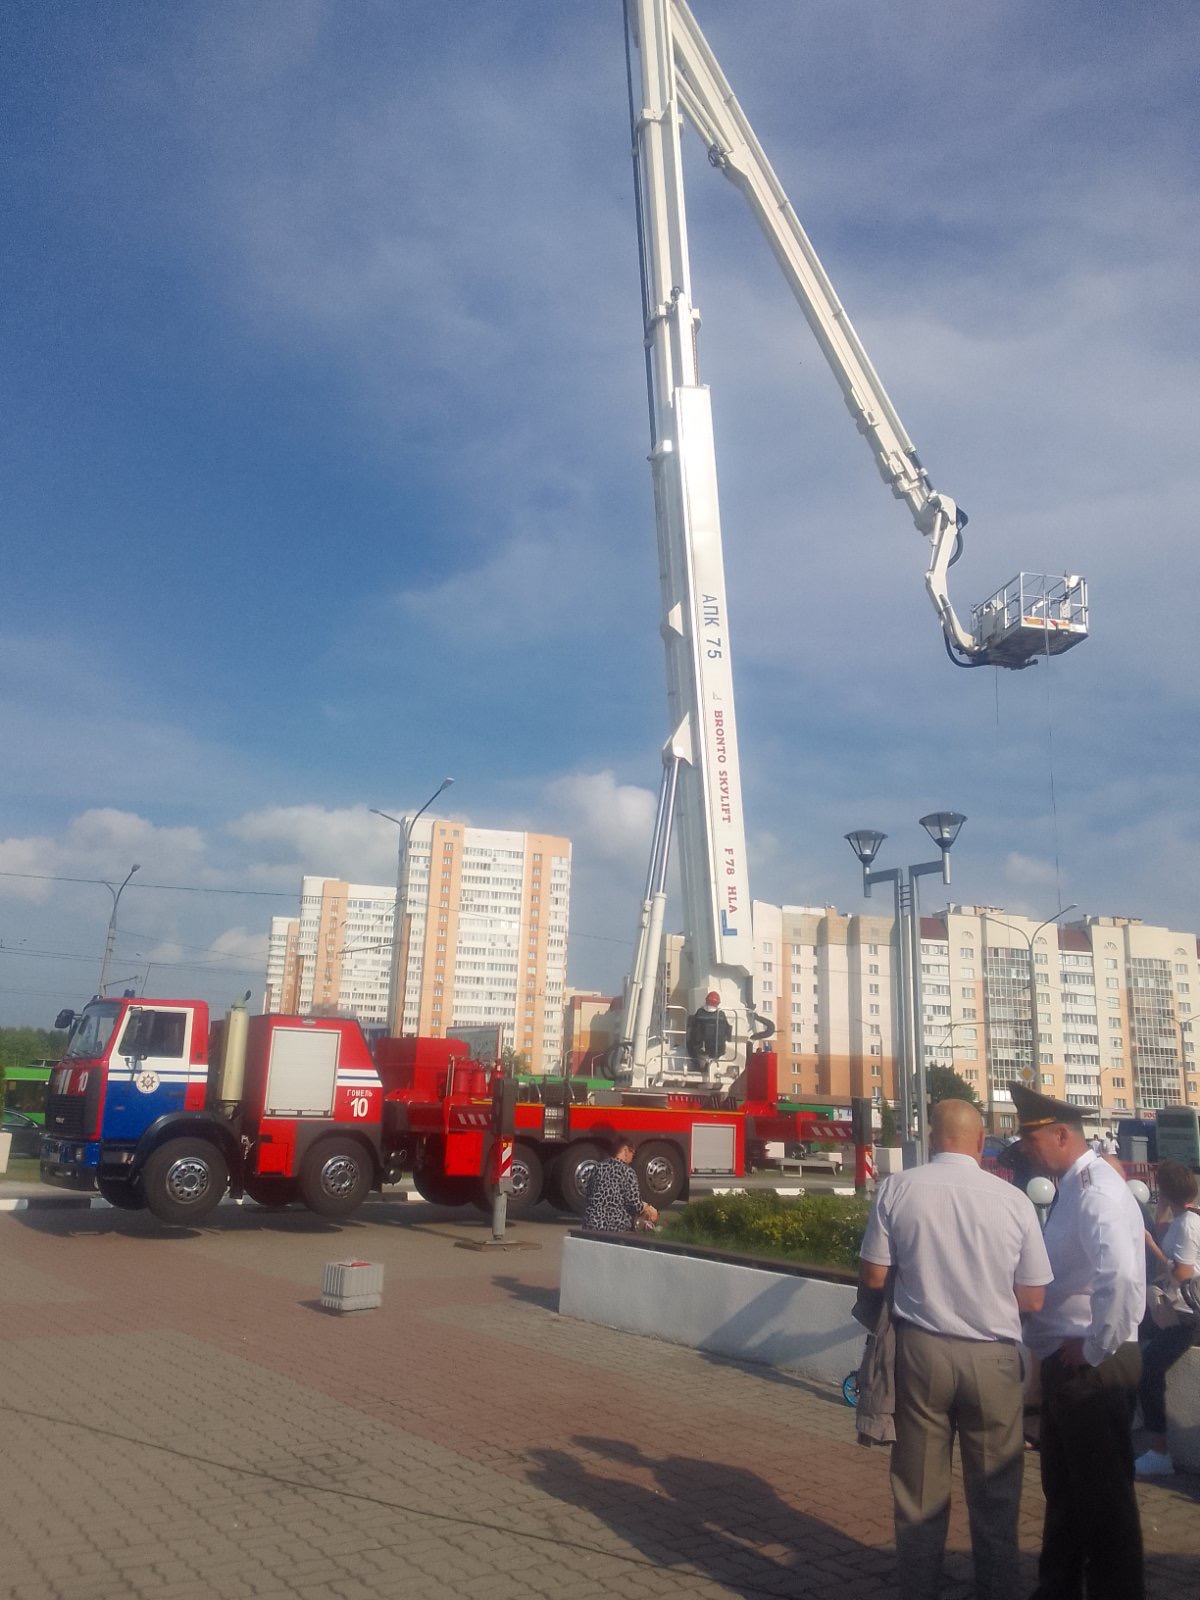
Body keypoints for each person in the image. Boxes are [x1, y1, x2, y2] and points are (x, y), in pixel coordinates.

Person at [859, 1098, 1052, 1600]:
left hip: (921, 1352)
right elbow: (1034, 1297)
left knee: (919, 1492)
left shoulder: (899, 1188)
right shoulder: (1014, 1201)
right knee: (995, 1494)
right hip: (994, 1359)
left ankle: (919, 1590)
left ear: (932, 1138)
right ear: (981, 1141)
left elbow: (875, 1276)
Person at [1013, 1083, 1147, 1600]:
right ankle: (1057, 1590)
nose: (1027, 1150)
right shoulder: (1075, 1186)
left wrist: (1092, 1346)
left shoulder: (1094, 1192)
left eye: (1032, 1140)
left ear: (1061, 1136)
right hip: (1070, 1362)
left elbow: (1122, 1279)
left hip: (1092, 1367)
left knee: (1105, 1504)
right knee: (1067, 1494)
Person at [1134, 1159, 1200, 1477]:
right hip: (1175, 1310)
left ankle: (1159, 1450)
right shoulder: (1183, 1219)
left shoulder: (1188, 1225)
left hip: (1186, 1315)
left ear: (1165, 1189)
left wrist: (1152, 1248)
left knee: (1149, 1370)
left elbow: (1182, 1274)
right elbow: (1164, 1236)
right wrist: (1161, 1211)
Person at [582, 1135, 659, 1233]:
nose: (632, 1158)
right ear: (625, 1150)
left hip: (590, 1223)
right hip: (615, 1226)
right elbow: (635, 1204)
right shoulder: (627, 1172)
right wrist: (648, 1208)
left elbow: (588, 1194)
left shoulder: (597, 1168)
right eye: (633, 1153)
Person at [685, 991, 732, 1073]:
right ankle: (708, 1064)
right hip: (718, 1049)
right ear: (718, 1003)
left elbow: (692, 1030)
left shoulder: (700, 1013)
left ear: (706, 1000)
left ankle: (698, 1064)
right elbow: (728, 1032)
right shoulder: (721, 1014)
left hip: (699, 1048)